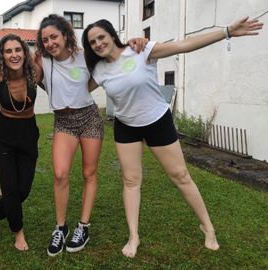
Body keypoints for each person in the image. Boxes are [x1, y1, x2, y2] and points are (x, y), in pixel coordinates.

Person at [82, 16, 263, 258]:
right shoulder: (99, 70)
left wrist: (227, 31)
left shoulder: (141, 50)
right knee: (131, 180)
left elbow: (183, 45)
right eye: (92, 42)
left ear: (112, 35)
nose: (98, 44)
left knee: (181, 175)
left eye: (101, 37)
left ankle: (208, 227)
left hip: (157, 121)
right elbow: (73, 85)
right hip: (126, 127)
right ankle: (133, 236)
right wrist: (40, 74)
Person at [35, 14, 146, 256]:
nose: (50, 43)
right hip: (63, 121)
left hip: (89, 119)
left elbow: (113, 53)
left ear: (65, 35)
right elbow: (30, 75)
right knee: (60, 172)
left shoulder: (86, 56)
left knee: (89, 173)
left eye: (54, 36)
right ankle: (60, 228)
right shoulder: (41, 59)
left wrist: (134, 42)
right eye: (45, 40)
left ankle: (83, 226)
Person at [0, 34, 41, 251]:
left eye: (18, 49)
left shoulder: (35, 71)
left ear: (24, 52)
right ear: (2, 55)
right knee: (10, 188)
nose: (14, 54)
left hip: (28, 133)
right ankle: (19, 232)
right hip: (3, 135)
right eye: (8, 51)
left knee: (23, 190)